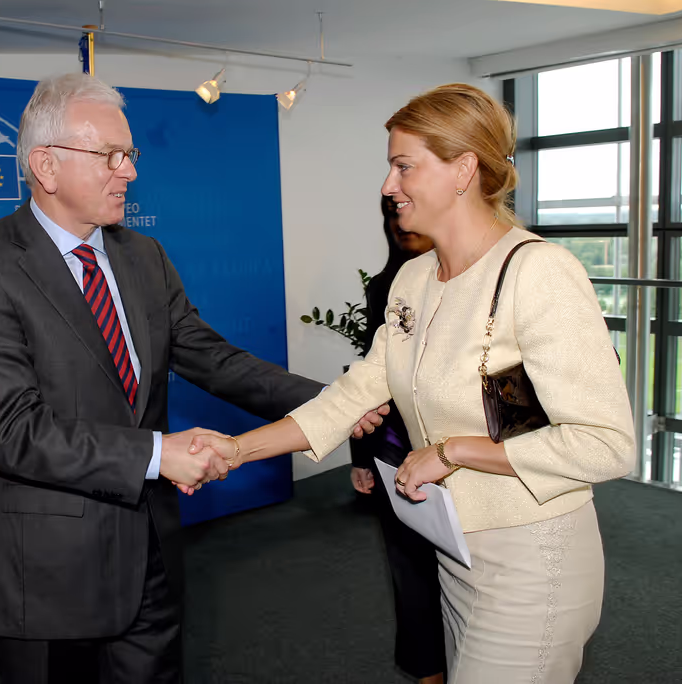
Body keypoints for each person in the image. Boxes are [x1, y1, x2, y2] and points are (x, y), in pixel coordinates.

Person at [0, 73, 384, 684]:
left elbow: (212, 358)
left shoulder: (142, 257)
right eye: (111, 156)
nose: (129, 172)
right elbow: (13, 431)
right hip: (50, 571)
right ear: (45, 165)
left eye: (132, 155)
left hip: (150, 545)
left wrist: (334, 403)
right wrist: (156, 454)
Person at [192, 83, 635, 684]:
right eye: (389, 167)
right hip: (455, 553)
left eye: (404, 166)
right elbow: (352, 396)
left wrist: (454, 451)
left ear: (463, 170)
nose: (387, 186)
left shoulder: (541, 274)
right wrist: (236, 450)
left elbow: (606, 444)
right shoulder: (414, 281)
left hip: (534, 555)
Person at [349, 195, 443, 684]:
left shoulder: (488, 277)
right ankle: (427, 669)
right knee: (409, 569)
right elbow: (369, 376)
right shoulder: (387, 285)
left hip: (461, 456)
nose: (399, 223)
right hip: (394, 449)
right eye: (389, 214)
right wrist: (362, 455)